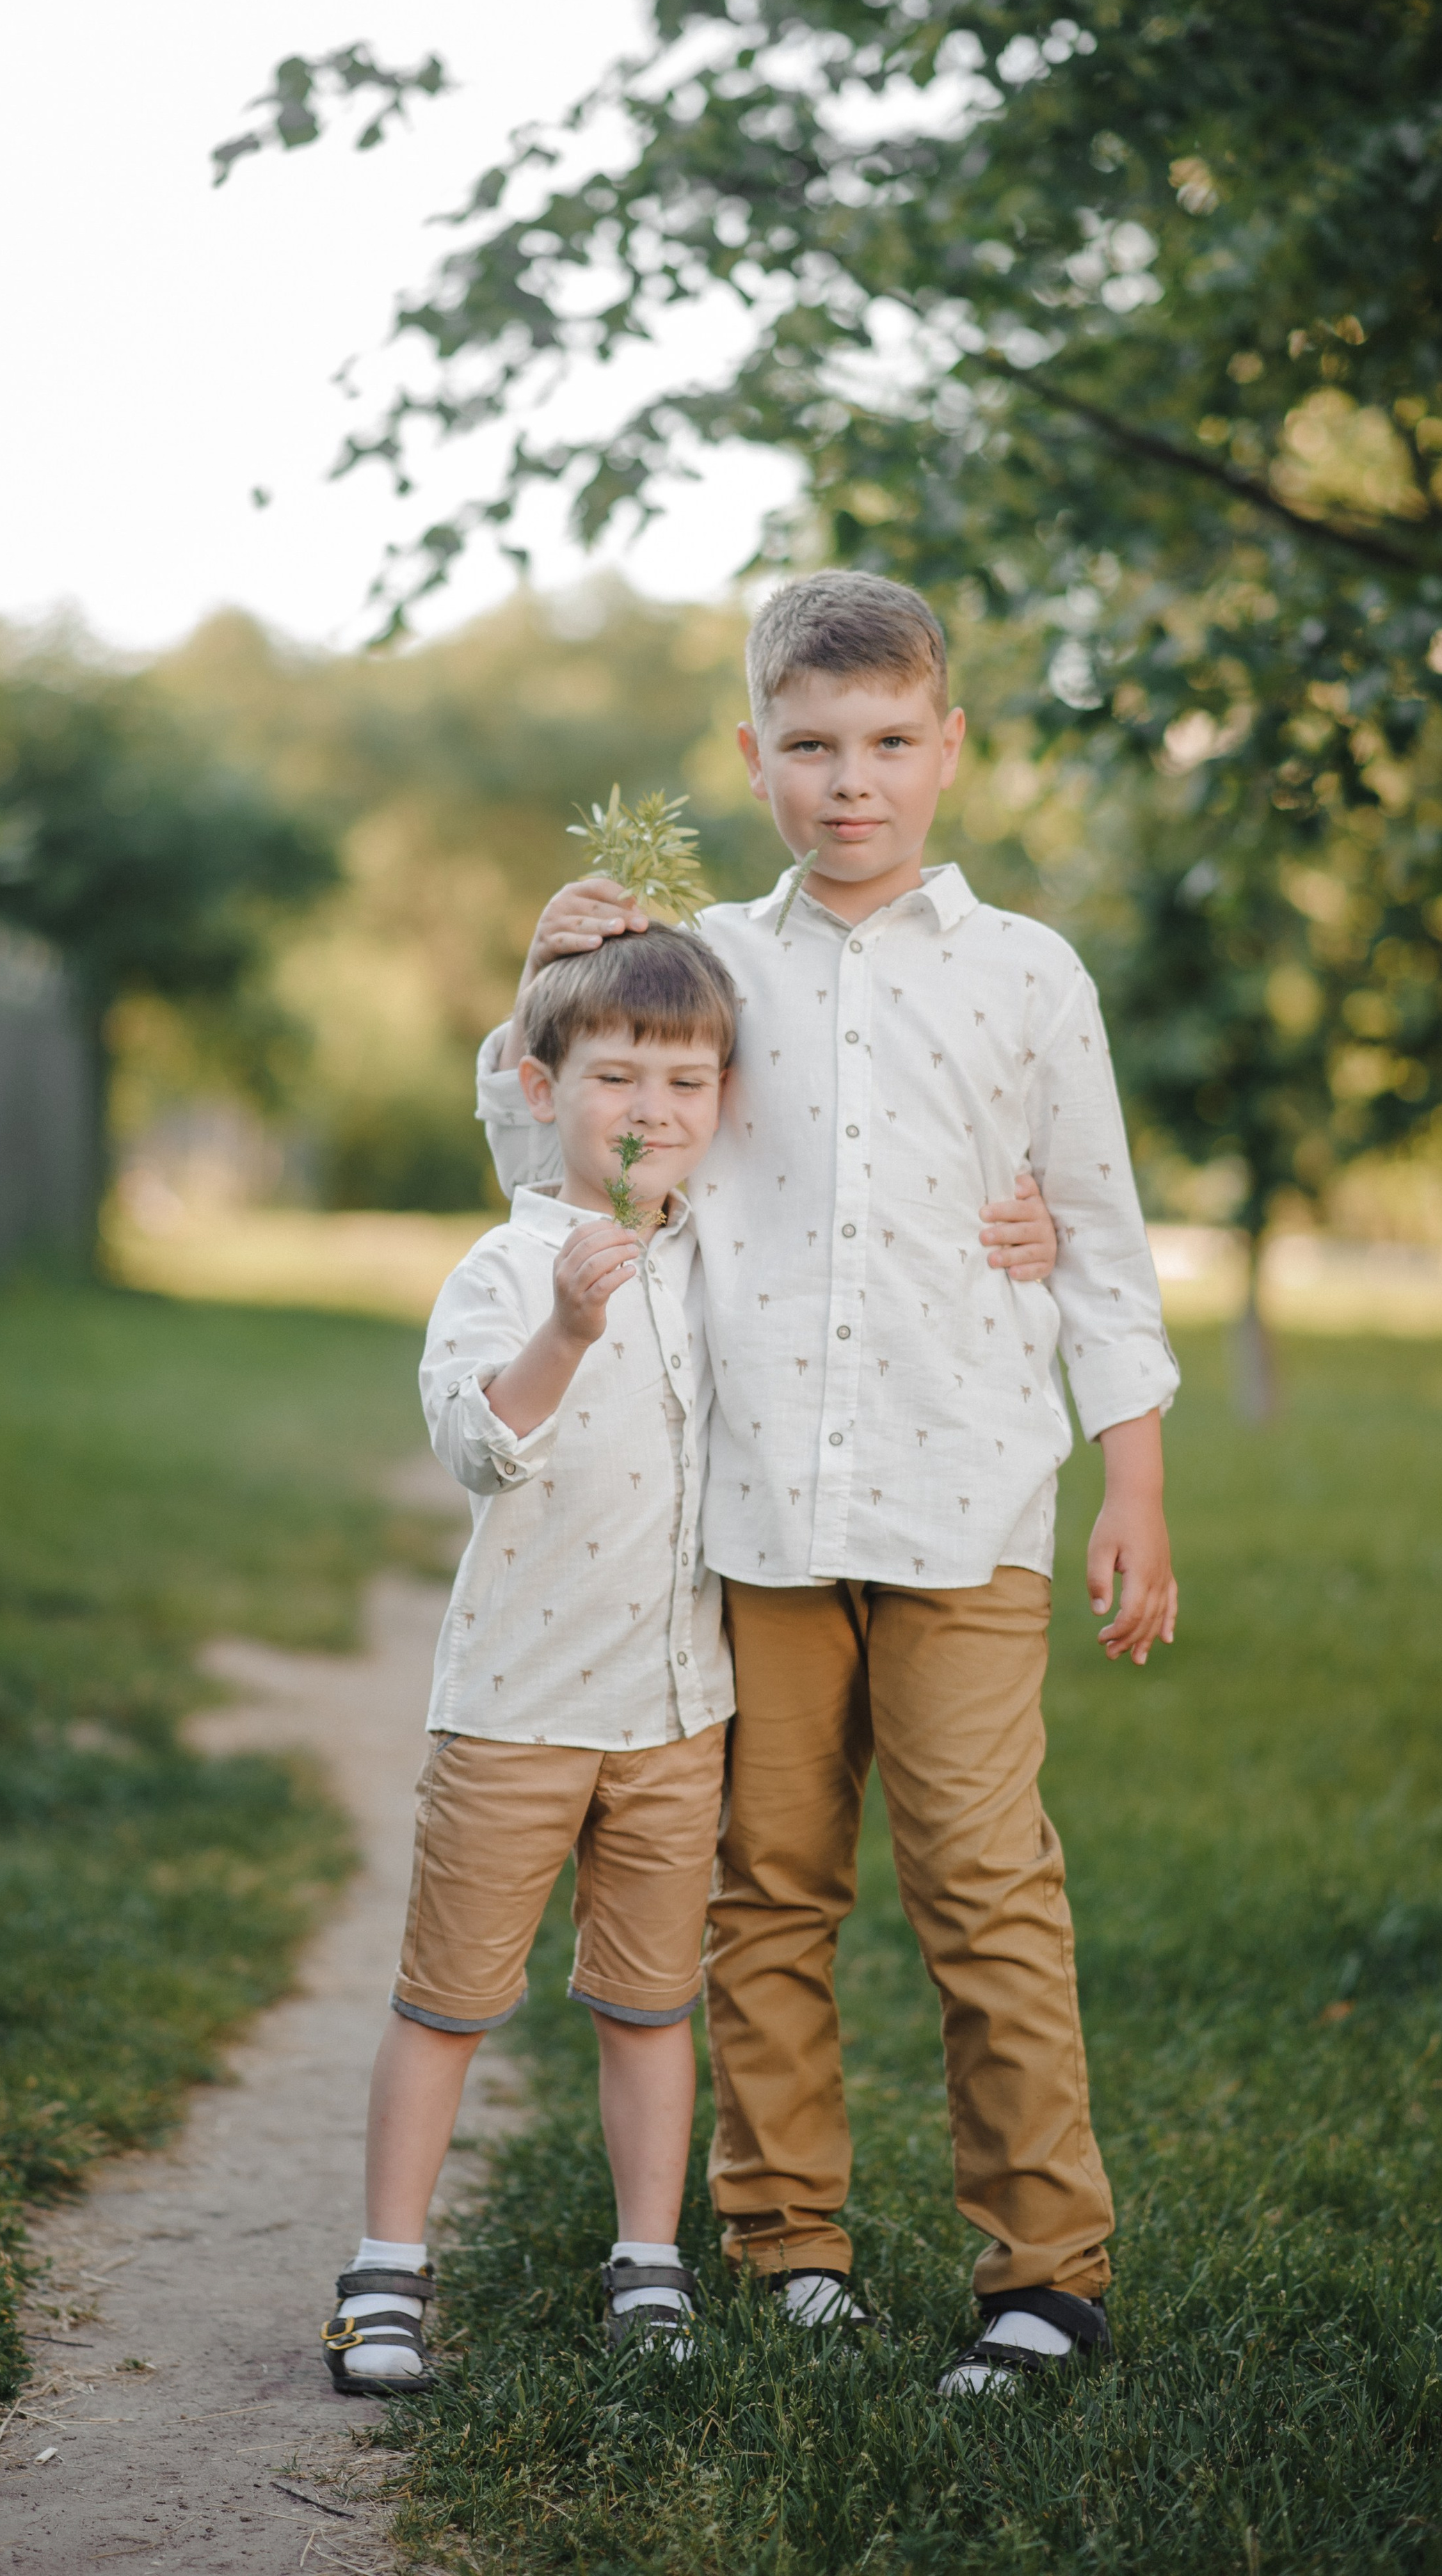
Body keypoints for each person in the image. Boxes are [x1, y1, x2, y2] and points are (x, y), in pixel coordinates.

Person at [476, 569, 1178, 2395]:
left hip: (970, 1514)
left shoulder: (1028, 974)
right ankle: (789, 2244)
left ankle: (1047, 2275)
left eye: (885, 744)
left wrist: (1138, 1488)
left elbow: (1097, 1243)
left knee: (986, 1880)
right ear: (753, 753)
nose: (848, 782)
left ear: (948, 748)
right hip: (760, 1519)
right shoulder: (708, 961)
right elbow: (579, 1151)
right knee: (766, 1888)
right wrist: (539, 989)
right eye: (808, 747)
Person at [323, 922, 743, 2394]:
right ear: (540, 1087)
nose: (650, 1108)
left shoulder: (714, 1262)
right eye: (616, 1074)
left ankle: (648, 2260)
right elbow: (479, 1445)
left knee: (649, 2002)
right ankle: (385, 2268)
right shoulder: (506, 1268)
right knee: (448, 1998)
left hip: (678, 1715)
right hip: (516, 1711)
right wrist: (566, 1328)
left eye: (685, 1080)